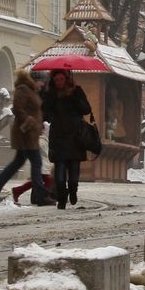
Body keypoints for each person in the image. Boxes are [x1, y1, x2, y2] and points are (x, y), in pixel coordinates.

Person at [0, 71, 51, 204]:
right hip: (25, 133)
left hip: (30, 133)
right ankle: (40, 196)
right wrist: (30, 121)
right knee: (36, 163)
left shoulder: (32, 91)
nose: (43, 84)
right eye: (42, 81)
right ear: (35, 80)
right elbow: (18, 108)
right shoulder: (23, 89)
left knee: (18, 162)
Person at [42, 67, 94, 208]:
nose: (59, 82)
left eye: (61, 79)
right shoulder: (51, 94)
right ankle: (62, 198)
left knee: (73, 175)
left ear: (66, 79)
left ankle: (73, 191)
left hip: (75, 138)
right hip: (58, 138)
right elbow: (45, 113)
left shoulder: (77, 91)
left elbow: (86, 109)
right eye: (56, 80)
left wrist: (76, 98)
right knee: (59, 177)